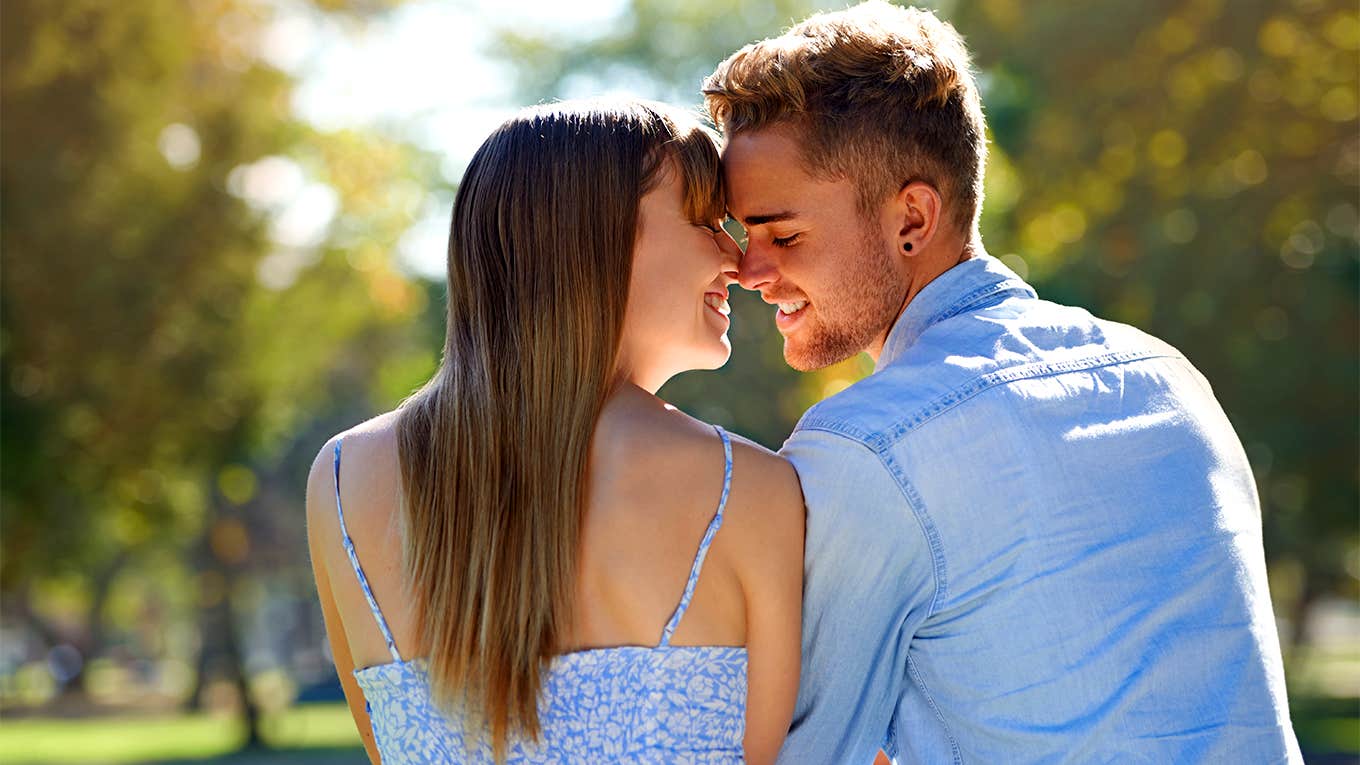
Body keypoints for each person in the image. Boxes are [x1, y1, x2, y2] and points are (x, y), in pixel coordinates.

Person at [703, 2, 1301, 762]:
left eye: (782, 233)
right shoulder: (1171, 381)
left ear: (912, 218)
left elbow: (797, 753)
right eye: (741, 234)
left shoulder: (865, 451)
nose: (748, 270)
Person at [304, 100, 803, 764]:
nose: (738, 258)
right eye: (707, 220)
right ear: (592, 236)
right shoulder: (750, 490)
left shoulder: (342, 482)